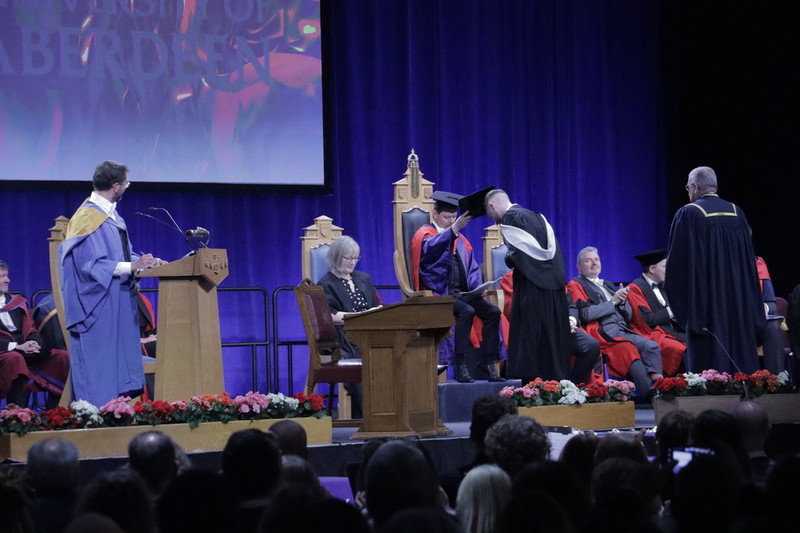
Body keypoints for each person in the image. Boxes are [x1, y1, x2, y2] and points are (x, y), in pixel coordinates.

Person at [58, 161, 165, 406]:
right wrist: (132, 266)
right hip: (97, 304)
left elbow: (121, 256)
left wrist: (145, 263)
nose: (127, 187)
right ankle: (95, 416)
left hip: (115, 300)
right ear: (116, 186)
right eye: (126, 183)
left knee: (117, 369)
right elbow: (88, 265)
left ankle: (116, 412)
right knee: (100, 367)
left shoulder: (111, 216)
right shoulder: (87, 217)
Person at [666, 166, 765, 374]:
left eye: (688, 187)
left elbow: (677, 267)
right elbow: (749, 263)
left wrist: (685, 311)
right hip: (739, 303)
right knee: (741, 364)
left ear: (695, 187)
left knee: (710, 369)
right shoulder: (737, 213)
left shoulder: (689, 213)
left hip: (706, 306)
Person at [411, 191, 503, 383]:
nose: (451, 221)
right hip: (440, 293)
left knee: (493, 312)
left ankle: (487, 364)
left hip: (464, 293)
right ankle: (460, 365)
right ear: (435, 214)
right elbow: (429, 252)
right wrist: (452, 231)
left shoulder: (461, 240)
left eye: (454, 217)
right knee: (467, 312)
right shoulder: (425, 234)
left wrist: (478, 286)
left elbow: (472, 267)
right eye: (447, 217)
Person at [485, 189, 571, 382]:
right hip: (553, 288)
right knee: (552, 339)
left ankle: (531, 385)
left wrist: (508, 259)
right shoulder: (538, 217)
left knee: (530, 338)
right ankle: (557, 383)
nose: (494, 221)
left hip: (531, 288)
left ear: (493, 206)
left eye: (491, 215)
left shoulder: (510, 218)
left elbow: (518, 256)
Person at [566, 246, 663, 398]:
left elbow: (629, 316)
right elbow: (585, 314)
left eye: (596, 259)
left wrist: (623, 303)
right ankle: (651, 394)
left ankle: (659, 386)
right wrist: (613, 301)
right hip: (603, 332)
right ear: (579, 266)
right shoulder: (576, 285)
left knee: (651, 346)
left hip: (623, 329)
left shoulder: (608, 284)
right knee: (628, 350)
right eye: (588, 260)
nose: (594, 263)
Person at [317, 235, 381, 418]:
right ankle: (364, 419)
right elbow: (330, 316)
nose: (352, 262)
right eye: (348, 258)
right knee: (362, 369)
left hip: (369, 336)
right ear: (337, 257)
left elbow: (376, 306)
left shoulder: (364, 278)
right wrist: (360, 317)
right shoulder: (326, 283)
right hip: (344, 338)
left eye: (355, 258)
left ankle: (386, 416)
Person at [0, 260, 69, 407]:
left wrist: (33, 342)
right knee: (14, 359)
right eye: (2, 277)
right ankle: (16, 413)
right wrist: (17, 347)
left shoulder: (16, 302)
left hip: (25, 351)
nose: (8, 280)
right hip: (5, 352)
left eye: (7, 275)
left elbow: (30, 327)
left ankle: (55, 411)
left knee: (62, 357)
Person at [627, 249, 686, 376]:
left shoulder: (664, 286)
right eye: (664, 267)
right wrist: (673, 310)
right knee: (679, 349)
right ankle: (676, 384)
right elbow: (646, 319)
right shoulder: (635, 289)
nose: (668, 270)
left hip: (670, 330)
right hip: (650, 332)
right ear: (652, 269)